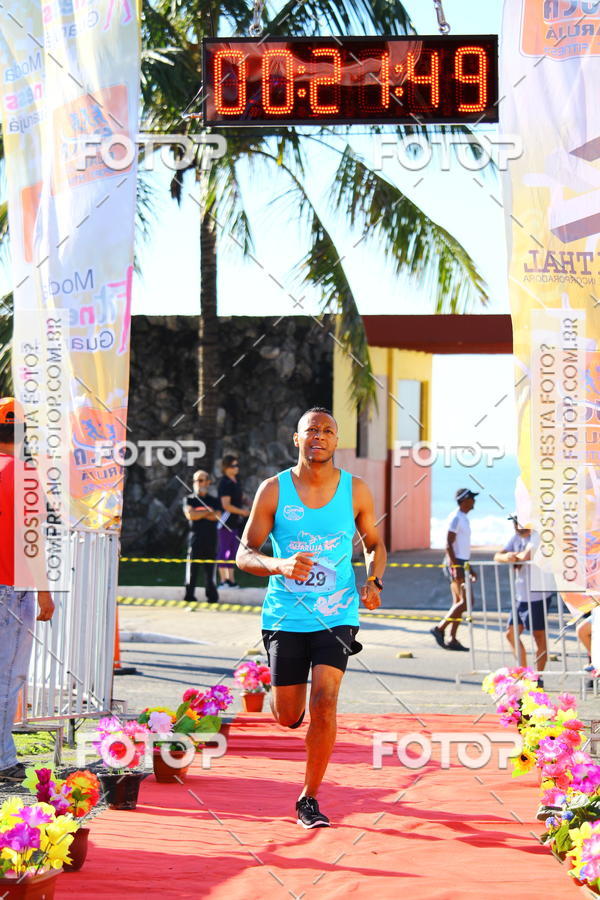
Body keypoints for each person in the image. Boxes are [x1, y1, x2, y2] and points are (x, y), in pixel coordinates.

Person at [236, 406, 386, 829]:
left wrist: (374, 581)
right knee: (287, 715)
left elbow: (374, 543)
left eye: (327, 430)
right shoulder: (273, 490)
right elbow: (244, 554)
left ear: (337, 441)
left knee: (325, 703)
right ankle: (286, 703)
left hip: (336, 613)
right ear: (297, 439)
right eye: (311, 430)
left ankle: (309, 798)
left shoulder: (356, 490)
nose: (319, 436)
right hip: (285, 614)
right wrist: (280, 565)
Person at [0, 398, 54, 783]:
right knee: (8, 677)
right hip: (11, 588)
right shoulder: (26, 475)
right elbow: (30, 541)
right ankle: (2, 760)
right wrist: (45, 592)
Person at [494, 515, 553, 673]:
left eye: (520, 523)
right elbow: (497, 555)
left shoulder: (538, 536)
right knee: (511, 634)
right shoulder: (515, 537)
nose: (517, 527)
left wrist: (510, 557)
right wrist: (507, 556)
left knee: (538, 635)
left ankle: (538, 676)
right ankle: (524, 673)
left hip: (538, 593)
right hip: (521, 595)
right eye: (515, 523)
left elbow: (525, 556)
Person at [430, 488, 478, 652]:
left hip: (461, 562)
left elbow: (461, 547)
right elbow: (448, 544)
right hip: (455, 563)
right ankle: (440, 629)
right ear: (464, 500)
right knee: (467, 602)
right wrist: (456, 566)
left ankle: (452, 638)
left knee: (459, 603)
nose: (474, 501)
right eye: (472, 498)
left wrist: (469, 567)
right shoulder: (456, 518)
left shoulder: (463, 518)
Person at [183, 470, 221, 605]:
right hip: (195, 539)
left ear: (208, 482)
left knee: (210, 571)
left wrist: (200, 513)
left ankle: (212, 597)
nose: (197, 483)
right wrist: (207, 512)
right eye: (195, 481)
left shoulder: (214, 500)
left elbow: (217, 516)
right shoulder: (189, 499)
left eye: (201, 480)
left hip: (211, 539)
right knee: (192, 570)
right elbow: (190, 515)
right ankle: (189, 596)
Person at [217, 453, 250, 588]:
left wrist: (253, 505)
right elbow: (226, 505)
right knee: (224, 550)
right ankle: (223, 580)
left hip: (235, 522)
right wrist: (243, 512)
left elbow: (243, 498)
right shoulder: (224, 483)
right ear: (225, 467)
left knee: (232, 551)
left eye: (237, 465)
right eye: (233, 465)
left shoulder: (236, 481)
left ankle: (231, 579)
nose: (236, 468)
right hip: (225, 522)